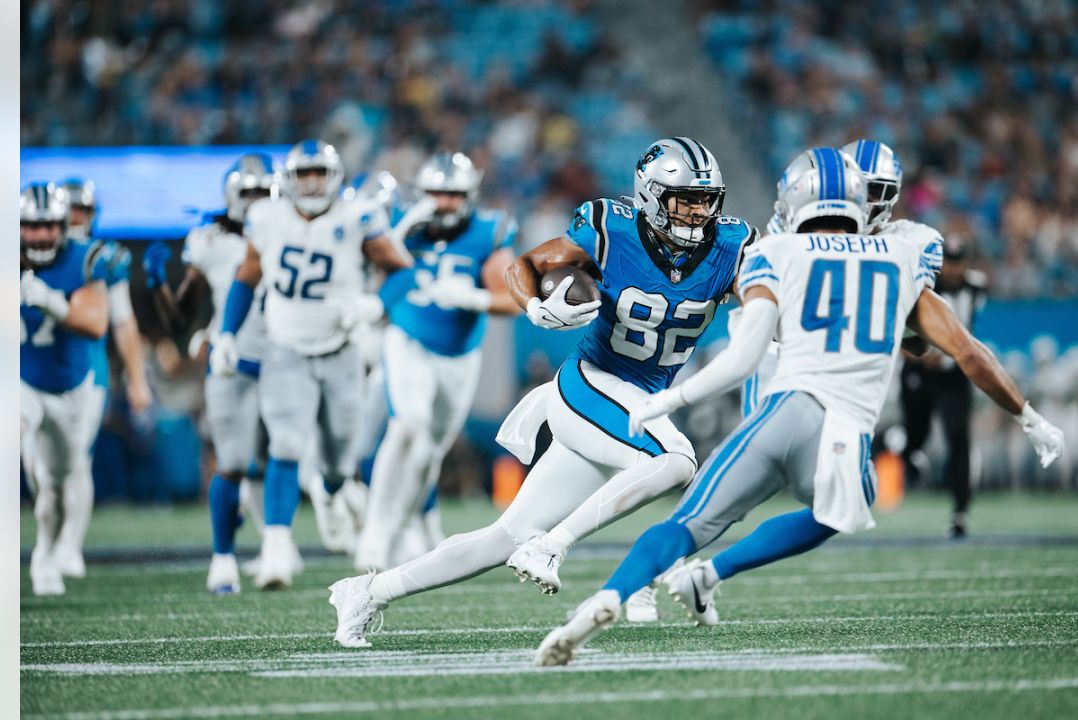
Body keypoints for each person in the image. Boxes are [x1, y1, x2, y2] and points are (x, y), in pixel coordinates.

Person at [533, 147, 1064, 665]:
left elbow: (743, 356)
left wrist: (671, 398)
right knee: (844, 506)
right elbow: (965, 353)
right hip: (843, 430)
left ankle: (607, 599)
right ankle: (711, 574)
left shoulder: (776, 251)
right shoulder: (905, 255)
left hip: (778, 412)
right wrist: (1029, 417)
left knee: (689, 523)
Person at [328, 137, 760, 647]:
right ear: (649, 195)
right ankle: (558, 547)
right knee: (677, 461)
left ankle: (365, 592)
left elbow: (762, 295)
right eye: (684, 199)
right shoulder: (608, 228)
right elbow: (524, 268)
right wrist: (536, 307)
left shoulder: (731, 247)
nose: (697, 213)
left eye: (705, 200)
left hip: (634, 402)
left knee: (503, 537)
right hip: (590, 384)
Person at [215, 139, 411, 589]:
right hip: (284, 349)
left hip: (340, 350)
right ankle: (277, 550)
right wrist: (227, 332)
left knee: (341, 458)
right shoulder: (267, 218)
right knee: (284, 443)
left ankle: (337, 490)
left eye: (319, 173)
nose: (312, 182)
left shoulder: (357, 216)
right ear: (289, 179)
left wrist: (374, 306)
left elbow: (404, 270)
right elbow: (246, 279)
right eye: (304, 174)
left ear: (334, 176)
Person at [353, 152, 520, 571]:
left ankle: (405, 524)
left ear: (469, 195)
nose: (443, 202)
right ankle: (376, 534)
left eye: (453, 193)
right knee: (407, 425)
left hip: (460, 356)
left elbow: (513, 298)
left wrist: (475, 297)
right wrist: (402, 229)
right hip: (407, 338)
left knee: (430, 451)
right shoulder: (403, 225)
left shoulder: (488, 231)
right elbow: (366, 260)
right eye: (436, 193)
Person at [144, 153, 277, 593]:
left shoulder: (292, 229)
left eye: (264, 192)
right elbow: (180, 317)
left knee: (286, 455)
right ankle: (223, 558)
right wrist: (160, 283)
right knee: (233, 461)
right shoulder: (211, 241)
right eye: (250, 193)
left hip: (285, 359)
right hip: (232, 359)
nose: (257, 201)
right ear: (232, 197)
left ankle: (276, 547)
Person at [47, 179, 152, 579]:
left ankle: (69, 545)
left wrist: (138, 380)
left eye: (82, 212)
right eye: (69, 211)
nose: (75, 219)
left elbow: (123, 322)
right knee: (41, 466)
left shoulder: (101, 259)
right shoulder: (28, 253)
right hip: (32, 368)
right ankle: (53, 541)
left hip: (86, 371)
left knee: (76, 458)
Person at [19, 183, 110, 595]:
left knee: (55, 489)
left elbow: (95, 323)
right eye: (29, 227)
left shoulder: (84, 258)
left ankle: (46, 553)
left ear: (62, 226)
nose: (39, 236)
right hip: (20, 381)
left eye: (47, 227)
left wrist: (54, 302)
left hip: (69, 388)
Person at [898, 234, 988, 537]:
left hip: (953, 374)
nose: (952, 269)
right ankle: (912, 459)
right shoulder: (922, 280)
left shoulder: (975, 287)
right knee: (914, 434)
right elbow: (893, 325)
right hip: (919, 371)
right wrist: (920, 357)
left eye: (958, 262)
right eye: (948, 263)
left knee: (958, 436)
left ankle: (960, 510)